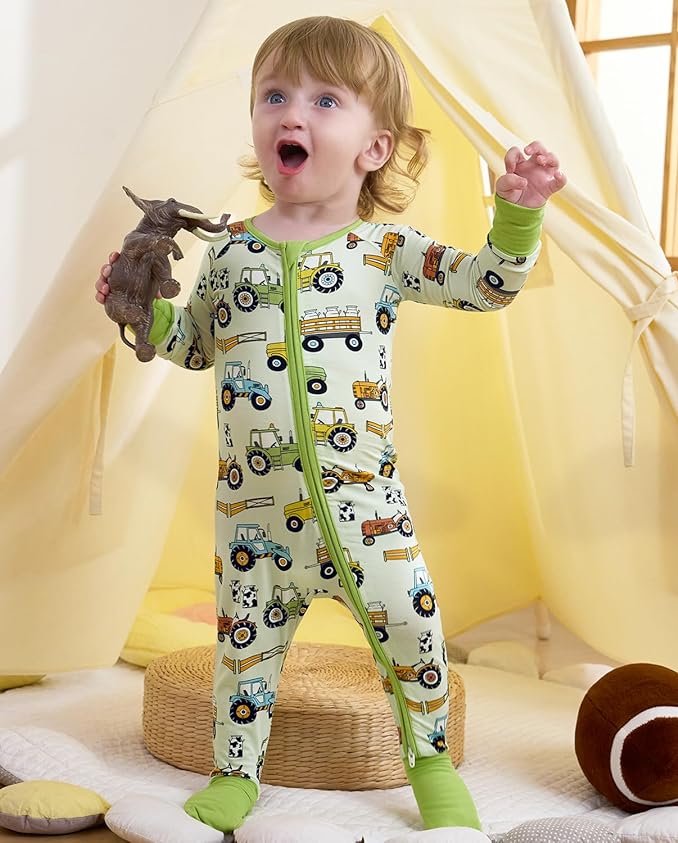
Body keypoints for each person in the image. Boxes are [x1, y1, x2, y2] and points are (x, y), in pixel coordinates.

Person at [95, 15, 566, 839]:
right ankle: (233, 774)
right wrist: (140, 310)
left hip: (365, 514)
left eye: (323, 100)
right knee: (243, 650)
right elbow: (196, 346)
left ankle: (430, 766)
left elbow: (486, 284)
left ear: (374, 148)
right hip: (252, 519)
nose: (291, 113)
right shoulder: (230, 253)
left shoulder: (383, 250)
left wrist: (517, 212)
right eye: (274, 95)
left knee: (412, 629)